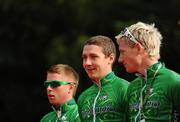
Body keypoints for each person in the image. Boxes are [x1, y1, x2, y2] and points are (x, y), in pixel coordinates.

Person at [115, 22, 180, 122]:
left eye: (122, 52)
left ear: (138, 48)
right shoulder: (132, 87)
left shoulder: (174, 81)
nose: (119, 59)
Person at [77, 35, 130, 122]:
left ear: (110, 58)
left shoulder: (125, 88)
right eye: (84, 57)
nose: (87, 63)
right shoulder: (83, 97)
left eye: (93, 57)